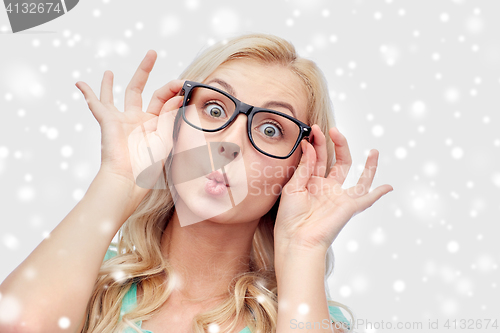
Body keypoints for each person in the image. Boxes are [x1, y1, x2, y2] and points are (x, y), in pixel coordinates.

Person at [0, 33, 393, 333]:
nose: (230, 144)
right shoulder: (86, 275)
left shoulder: (303, 311)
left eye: (271, 128)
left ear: (299, 167)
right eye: (215, 108)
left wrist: (303, 247)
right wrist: (119, 178)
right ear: (173, 122)